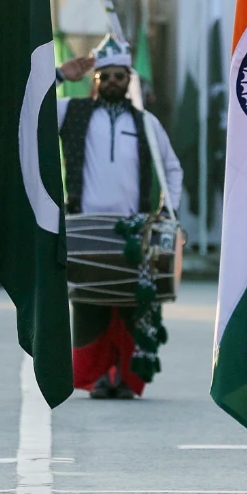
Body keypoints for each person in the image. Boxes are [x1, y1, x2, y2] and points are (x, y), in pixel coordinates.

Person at [56, 36, 182, 399]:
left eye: (119, 76)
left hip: (135, 231)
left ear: (130, 79)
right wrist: (60, 75)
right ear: (94, 79)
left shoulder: (147, 123)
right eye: (105, 76)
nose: (112, 82)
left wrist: (166, 215)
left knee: (132, 307)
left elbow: (172, 169)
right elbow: (27, 109)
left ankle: (126, 377)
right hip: (86, 228)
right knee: (90, 306)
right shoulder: (71, 111)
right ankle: (97, 376)